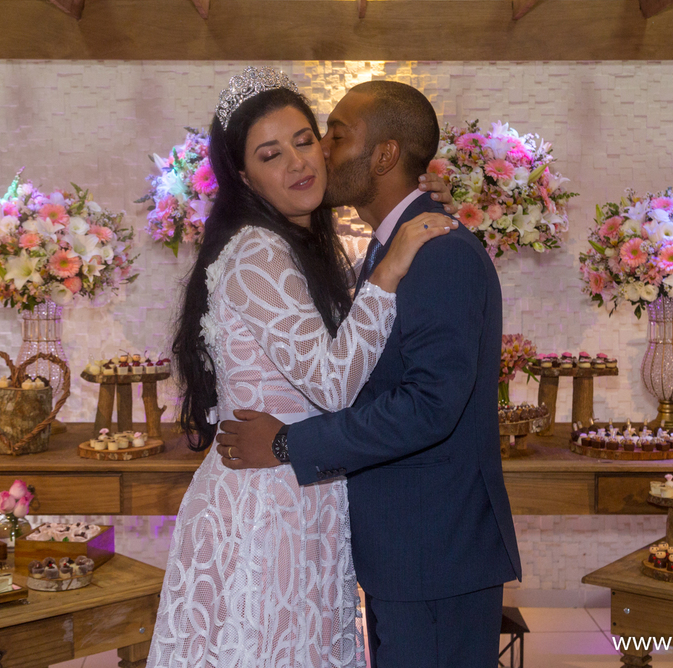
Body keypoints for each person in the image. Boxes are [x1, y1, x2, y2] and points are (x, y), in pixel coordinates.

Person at [148, 67, 457, 668]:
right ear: (243, 175)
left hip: (302, 489)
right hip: (266, 507)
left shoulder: (304, 246)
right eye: (270, 154)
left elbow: (361, 356)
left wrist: (410, 222)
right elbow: (334, 381)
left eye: (304, 140)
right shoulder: (258, 252)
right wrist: (391, 269)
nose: (298, 162)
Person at [218, 80, 522, 668]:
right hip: (405, 551)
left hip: (434, 552)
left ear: (384, 156)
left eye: (334, 135)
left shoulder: (441, 252)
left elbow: (429, 406)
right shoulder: (388, 251)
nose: (321, 152)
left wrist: (286, 442)